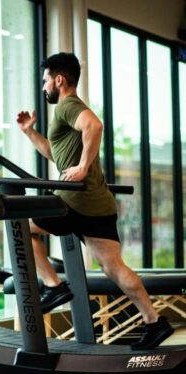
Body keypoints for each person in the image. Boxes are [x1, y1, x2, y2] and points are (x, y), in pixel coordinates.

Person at [16, 52, 174, 350]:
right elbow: (57, 155)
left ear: (58, 80)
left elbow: (95, 127)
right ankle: (154, 321)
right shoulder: (68, 112)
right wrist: (30, 132)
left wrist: (83, 168)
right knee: (113, 266)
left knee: (21, 226)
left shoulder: (68, 106)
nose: (43, 87)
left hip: (74, 200)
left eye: (45, 81)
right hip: (98, 203)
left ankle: (54, 287)